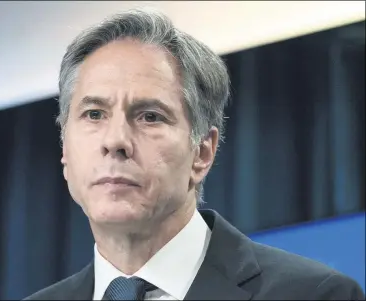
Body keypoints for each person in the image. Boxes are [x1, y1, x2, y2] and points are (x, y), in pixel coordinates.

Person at [25, 8, 365, 301]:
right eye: (94, 114)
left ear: (202, 152)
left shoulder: (315, 295)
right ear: (65, 149)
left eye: (150, 116)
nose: (115, 141)